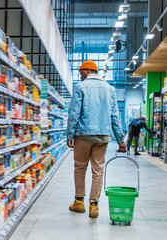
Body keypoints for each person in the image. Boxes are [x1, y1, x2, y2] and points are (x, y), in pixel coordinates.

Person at [66, 60, 126, 218]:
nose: (80, 77)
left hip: (83, 135)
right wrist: (120, 139)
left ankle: (79, 202)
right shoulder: (110, 89)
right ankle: (94, 206)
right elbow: (114, 116)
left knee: (80, 167)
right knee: (98, 170)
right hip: (103, 136)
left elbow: (74, 113)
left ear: (87, 71)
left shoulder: (80, 87)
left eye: (80, 73)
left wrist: (70, 134)